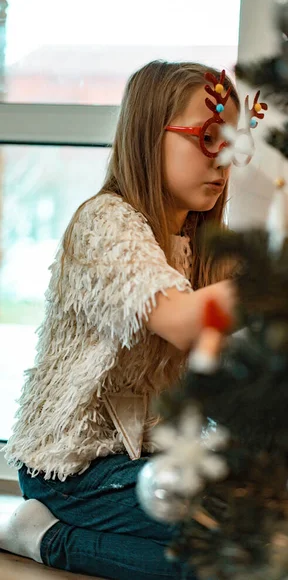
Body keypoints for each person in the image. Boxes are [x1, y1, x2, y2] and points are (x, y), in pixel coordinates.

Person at [0, 60, 239, 580]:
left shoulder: (200, 244)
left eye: (235, 142)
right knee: (231, 549)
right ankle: (45, 537)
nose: (224, 158)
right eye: (207, 136)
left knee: (259, 531)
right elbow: (179, 320)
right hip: (73, 467)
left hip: (148, 457)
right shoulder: (105, 222)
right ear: (149, 137)